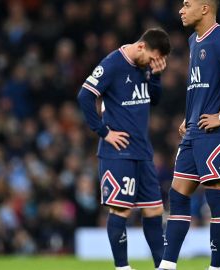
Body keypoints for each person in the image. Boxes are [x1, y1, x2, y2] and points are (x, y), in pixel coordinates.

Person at [158, 1, 220, 269]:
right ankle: (167, 264)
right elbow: (202, 86)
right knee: (178, 193)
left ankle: (218, 266)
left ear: (204, 9)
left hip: (218, 131)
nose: (181, 9)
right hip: (195, 128)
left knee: (215, 195)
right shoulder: (194, 40)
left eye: (187, 4)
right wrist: (188, 117)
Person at [77, 28, 170, 270]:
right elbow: (84, 96)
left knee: (154, 210)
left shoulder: (145, 67)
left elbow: (154, 100)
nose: (152, 64)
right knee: (121, 209)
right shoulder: (112, 64)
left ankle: (161, 265)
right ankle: (122, 267)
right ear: (141, 47)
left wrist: (157, 77)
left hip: (143, 150)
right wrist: (104, 131)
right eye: (152, 59)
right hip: (117, 152)